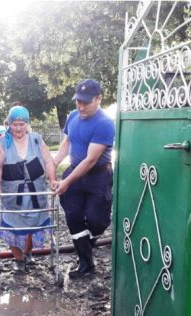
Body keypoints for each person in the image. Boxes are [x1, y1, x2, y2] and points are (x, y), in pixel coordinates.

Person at [51, 79, 115, 279]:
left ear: (99, 99)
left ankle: (85, 249)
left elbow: (90, 160)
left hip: (98, 176)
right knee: (73, 216)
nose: (81, 106)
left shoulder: (104, 123)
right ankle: (86, 264)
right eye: (78, 101)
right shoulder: (72, 116)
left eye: (86, 102)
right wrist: (54, 162)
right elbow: (66, 142)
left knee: (98, 220)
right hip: (74, 172)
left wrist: (66, 182)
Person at [0, 106, 57, 272]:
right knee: (11, 226)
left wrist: (52, 178)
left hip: (36, 192)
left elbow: (48, 160)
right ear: (9, 124)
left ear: (27, 124)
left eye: (22, 124)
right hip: (13, 194)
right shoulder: (4, 142)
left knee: (33, 226)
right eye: (15, 124)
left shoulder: (36, 139)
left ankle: (28, 252)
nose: (18, 128)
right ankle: (19, 259)